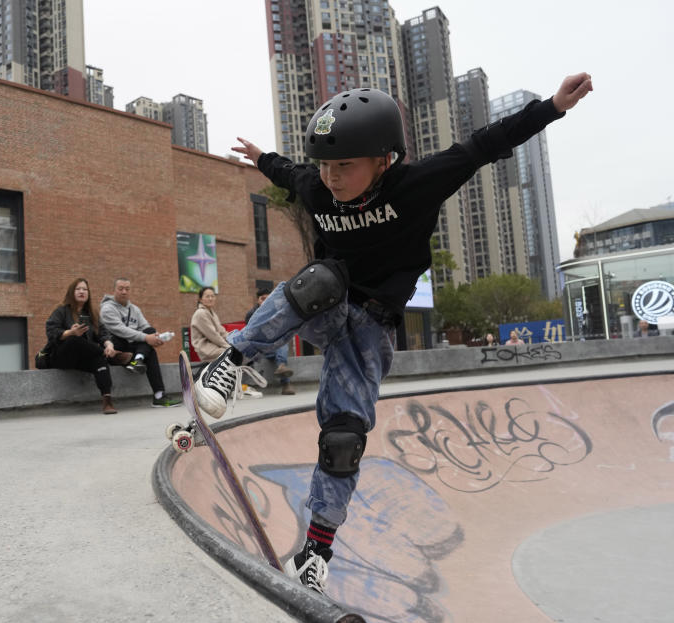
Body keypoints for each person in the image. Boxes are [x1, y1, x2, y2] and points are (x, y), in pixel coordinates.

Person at [197, 73, 592, 593]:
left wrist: (552, 108)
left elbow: (482, 147)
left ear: (385, 160)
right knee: (322, 278)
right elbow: (289, 172)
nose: (332, 178)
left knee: (343, 439)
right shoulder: (317, 187)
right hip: (327, 305)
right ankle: (232, 361)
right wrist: (260, 156)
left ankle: (316, 552)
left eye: (345, 166)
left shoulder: (416, 184)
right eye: (327, 166)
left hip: (371, 330)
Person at [46, 278, 127, 414]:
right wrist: (70, 332)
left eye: (85, 289)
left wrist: (109, 345)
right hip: (63, 357)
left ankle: (107, 401)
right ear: (72, 292)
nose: (82, 292)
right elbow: (51, 332)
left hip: (84, 358)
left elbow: (103, 334)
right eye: (78, 289)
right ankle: (111, 357)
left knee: (99, 359)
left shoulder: (92, 313)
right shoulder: (61, 311)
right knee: (74, 339)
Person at [100, 278, 181, 408]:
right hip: (115, 347)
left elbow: (145, 327)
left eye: (127, 289)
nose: (124, 292)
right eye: (120, 288)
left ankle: (158, 394)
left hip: (133, 347)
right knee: (145, 340)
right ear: (114, 290)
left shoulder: (135, 309)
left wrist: (156, 338)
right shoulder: (107, 308)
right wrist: (147, 338)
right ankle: (140, 362)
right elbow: (120, 330)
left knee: (151, 331)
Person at [191, 287, 264, 399]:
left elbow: (222, 332)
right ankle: (236, 388)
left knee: (242, 351)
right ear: (200, 299)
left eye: (212, 296)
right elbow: (213, 335)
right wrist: (230, 347)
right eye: (207, 296)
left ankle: (237, 386)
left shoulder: (211, 313)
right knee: (235, 354)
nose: (210, 298)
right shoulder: (200, 313)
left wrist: (237, 340)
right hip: (206, 348)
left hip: (214, 345)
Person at [246, 288, 295, 395]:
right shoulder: (251, 314)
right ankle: (286, 383)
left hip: (273, 347)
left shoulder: (277, 312)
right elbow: (250, 336)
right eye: (262, 299)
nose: (265, 301)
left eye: (268, 299)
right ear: (257, 300)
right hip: (259, 347)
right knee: (279, 346)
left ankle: (282, 368)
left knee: (281, 344)